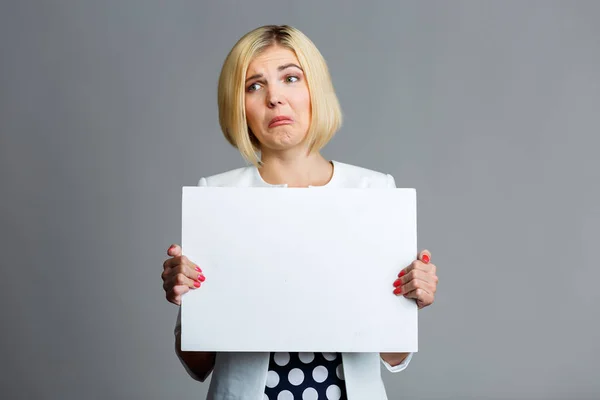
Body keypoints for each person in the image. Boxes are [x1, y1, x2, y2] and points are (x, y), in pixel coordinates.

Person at [161, 25, 439, 400]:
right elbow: (198, 364)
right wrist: (188, 300)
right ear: (238, 106)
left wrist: (409, 302)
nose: (275, 98)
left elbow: (393, 354)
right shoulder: (219, 196)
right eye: (254, 86)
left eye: (291, 78)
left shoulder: (373, 192)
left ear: (315, 91)